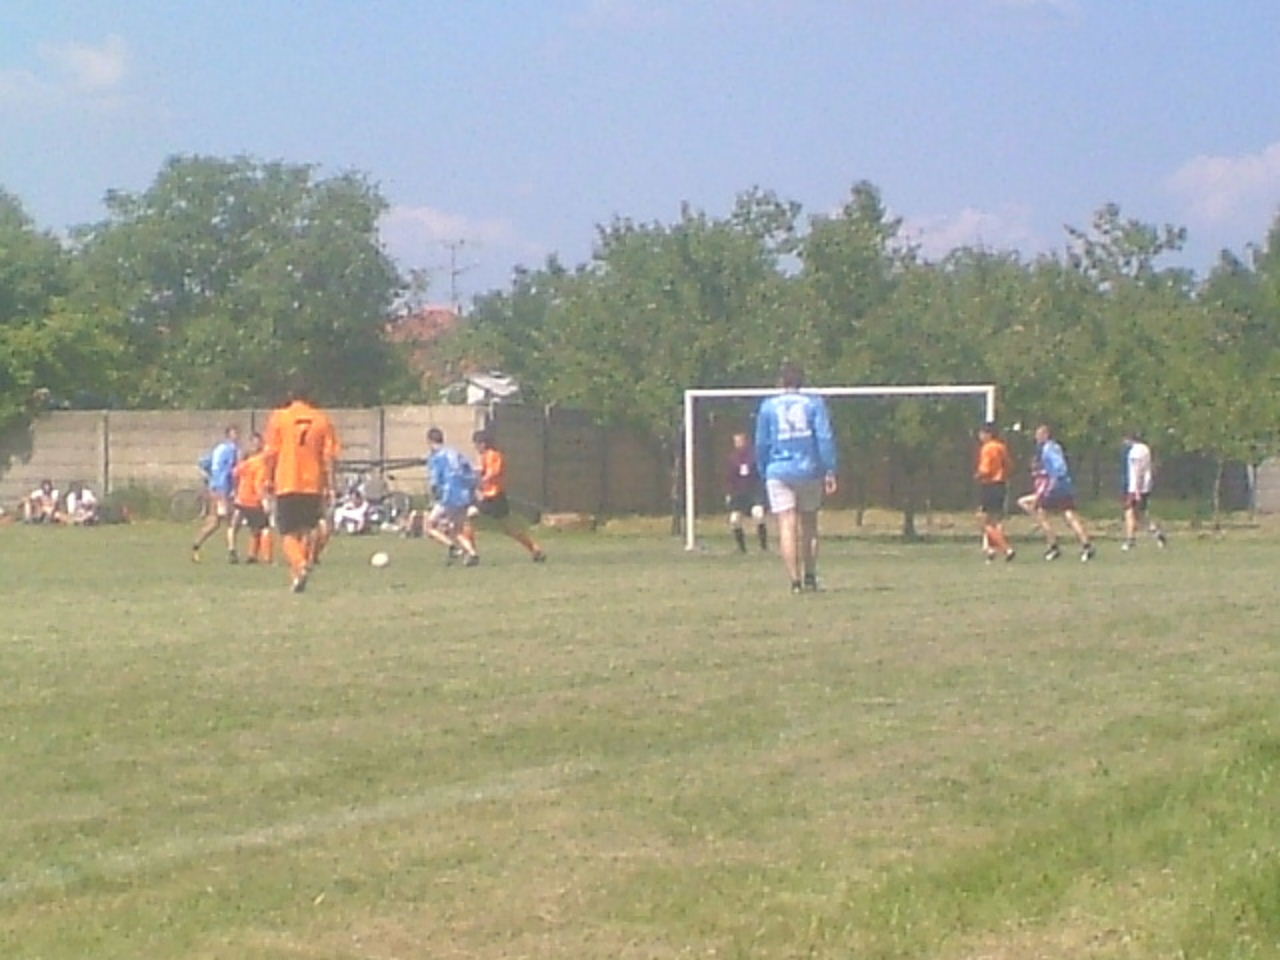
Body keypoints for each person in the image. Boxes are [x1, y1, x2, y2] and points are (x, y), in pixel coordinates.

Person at [754, 363, 838, 593]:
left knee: (786, 524)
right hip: (809, 469)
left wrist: (763, 469)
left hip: (778, 469)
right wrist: (829, 468)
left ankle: (794, 581)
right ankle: (810, 576)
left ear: (781, 381)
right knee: (809, 524)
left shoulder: (768, 406)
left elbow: (761, 442)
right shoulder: (814, 403)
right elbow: (824, 437)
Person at [263, 382, 340, 593]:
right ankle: (297, 577)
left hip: (287, 481)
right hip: (313, 483)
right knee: (306, 530)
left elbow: (271, 453)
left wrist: (267, 479)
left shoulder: (280, 418)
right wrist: (331, 485)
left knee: (287, 532)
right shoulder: (322, 419)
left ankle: (300, 564)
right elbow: (329, 457)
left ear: (290, 395)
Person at [1017, 423, 1095, 562]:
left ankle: (1053, 547)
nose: (1037, 437)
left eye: (1039, 434)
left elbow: (1059, 468)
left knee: (1041, 513)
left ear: (1046, 435)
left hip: (1056, 486)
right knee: (1069, 515)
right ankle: (1086, 545)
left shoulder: (1048, 449)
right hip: (1064, 485)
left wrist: (1051, 484)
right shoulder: (1055, 447)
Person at [466, 430, 546, 562]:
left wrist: (480, 481)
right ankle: (535, 549)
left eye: (476, 444)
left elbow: (493, 472)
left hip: (494, 496)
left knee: (468, 518)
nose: (475, 447)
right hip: (491, 496)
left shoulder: (493, 455)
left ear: (483, 444)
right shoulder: (485, 456)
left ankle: (472, 553)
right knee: (509, 528)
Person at [425, 427, 479, 566]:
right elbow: (470, 471)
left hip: (448, 496)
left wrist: (433, 496)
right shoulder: (456, 453)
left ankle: (452, 547)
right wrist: (472, 490)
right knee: (457, 530)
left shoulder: (436, 457)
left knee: (429, 526)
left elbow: (434, 481)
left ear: (429, 441)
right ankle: (472, 553)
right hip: (463, 495)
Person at [192, 425, 240, 562]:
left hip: (214, 488)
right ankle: (232, 552)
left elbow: (203, 462)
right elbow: (228, 472)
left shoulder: (218, 448)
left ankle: (196, 545)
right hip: (223, 490)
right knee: (231, 521)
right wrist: (225, 491)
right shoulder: (232, 450)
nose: (237, 436)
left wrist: (211, 479)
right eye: (235, 433)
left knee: (215, 522)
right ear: (229, 435)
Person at [230, 432, 273, 564]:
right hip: (253, 500)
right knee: (265, 527)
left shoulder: (246, 462)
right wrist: (264, 500)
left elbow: (235, 473)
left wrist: (236, 490)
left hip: (241, 498)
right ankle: (266, 558)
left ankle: (251, 555)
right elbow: (258, 483)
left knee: (253, 528)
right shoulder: (260, 463)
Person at [974, 422, 1015, 562]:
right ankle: (991, 551)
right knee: (996, 520)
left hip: (989, 485)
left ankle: (1006, 549)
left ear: (988, 434)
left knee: (983, 521)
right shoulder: (1001, 447)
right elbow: (1009, 465)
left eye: (981, 433)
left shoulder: (987, 448)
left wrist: (978, 475)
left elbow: (985, 469)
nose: (980, 436)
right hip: (1001, 485)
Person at [1121, 430, 1168, 551]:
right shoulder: (1145, 449)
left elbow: (1137, 471)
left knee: (1129, 512)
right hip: (1145, 486)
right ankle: (1157, 533)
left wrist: (1136, 490)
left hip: (1135, 487)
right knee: (1140, 515)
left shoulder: (1135, 452)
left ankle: (1130, 539)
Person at [725, 430, 767, 554]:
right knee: (734, 519)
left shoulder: (754, 457)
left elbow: (760, 475)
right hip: (738, 494)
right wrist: (729, 493)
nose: (739, 444)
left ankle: (763, 547)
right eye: (736, 441)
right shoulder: (732, 459)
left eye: (741, 441)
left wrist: (761, 493)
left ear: (746, 441)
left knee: (758, 514)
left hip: (753, 492)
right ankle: (741, 548)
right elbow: (729, 478)